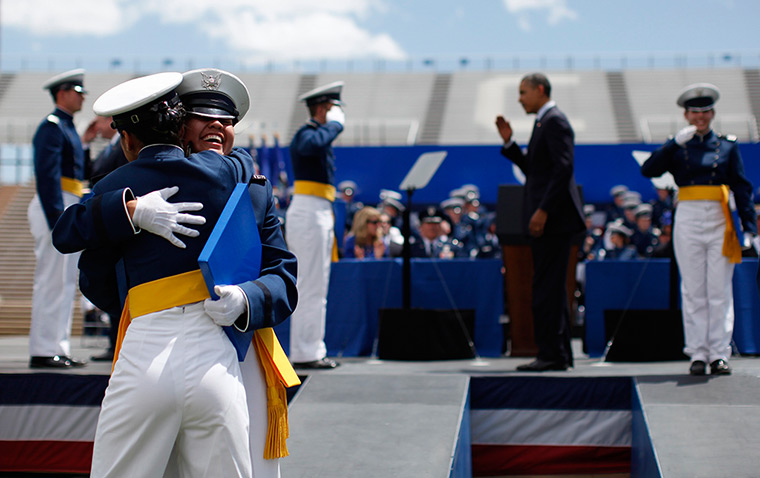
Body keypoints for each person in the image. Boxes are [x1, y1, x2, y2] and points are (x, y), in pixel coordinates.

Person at [53, 72, 297, 477]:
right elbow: (93, 273)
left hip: (242, 347)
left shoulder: (248, 187)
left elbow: (283, 277)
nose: (219, 126)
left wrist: (247, 300)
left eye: (227, 121)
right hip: (210, 361)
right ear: (178, 124)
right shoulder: (234, 178)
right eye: (203, 118)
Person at [642, 83, 756, 376]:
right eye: (695, 112)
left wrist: (750, 227)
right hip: (689, 215)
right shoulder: (678, 146)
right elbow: (649, 170)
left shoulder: (727, 145)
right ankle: (697, 352)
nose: (700, 117)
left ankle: (719, 353)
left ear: (713, 113)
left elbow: (741, 187)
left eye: (705, 112)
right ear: (686, 115)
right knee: (693, 289)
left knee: (719, 288)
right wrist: (672, 145)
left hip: (719, 215)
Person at [495, 72, 585, 372]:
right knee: (550, 287)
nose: (520, 98)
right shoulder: (543, 123)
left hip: (554, 221)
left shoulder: (555, 121)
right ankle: (558, 353)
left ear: (540, 90)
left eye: (523, 92)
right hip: (551, 221)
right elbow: (535, 170)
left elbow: (563, 169)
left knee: (547, 287)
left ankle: (551, 354)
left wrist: (543, 210)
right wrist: (509, 143)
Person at [27, 69, 88, 369]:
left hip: (67, 202)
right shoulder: (51, 127)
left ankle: (57, 347)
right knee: (52, 280)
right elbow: (48, 176)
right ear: (62, 93)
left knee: (63, 282)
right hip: (56, 205)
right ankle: (42, 349)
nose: (82, 96)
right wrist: (57, 221)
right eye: (78, 90)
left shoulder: (67, 127)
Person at [286, 80, 345, 369]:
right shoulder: (306, 135)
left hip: (319, 209)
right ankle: (306, 352)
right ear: (323, 108)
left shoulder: (315, 134)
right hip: (309, 210)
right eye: (333, 107)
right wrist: (334, 126)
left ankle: (311, 349)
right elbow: (313, 145)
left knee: (317, 285)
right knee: (310, 284)